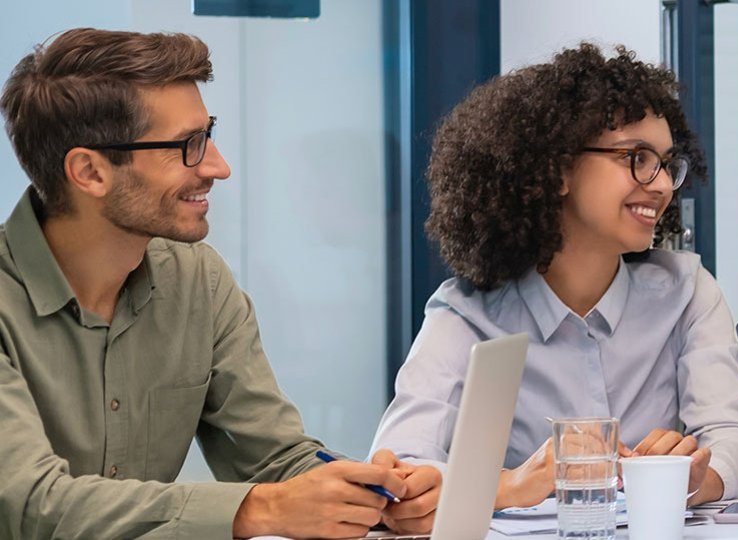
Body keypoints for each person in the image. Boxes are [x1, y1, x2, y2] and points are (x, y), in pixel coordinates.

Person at [0, 28, 439, 538]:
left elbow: (275, 459)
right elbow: (31, 504)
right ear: (90, 172)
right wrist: (261, 509)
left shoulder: (198, 282)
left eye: (208, 133)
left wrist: (373, 492)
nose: (218, 166)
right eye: (187, 144)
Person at [371, 43, 738, 510]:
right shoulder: (467, 315)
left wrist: (700, 475)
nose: (660, 185)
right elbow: (399, 470)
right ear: (557, 169)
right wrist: (516, 484)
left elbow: (736, 441)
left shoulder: (686, 291)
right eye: (637, 157)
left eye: (665, 163)